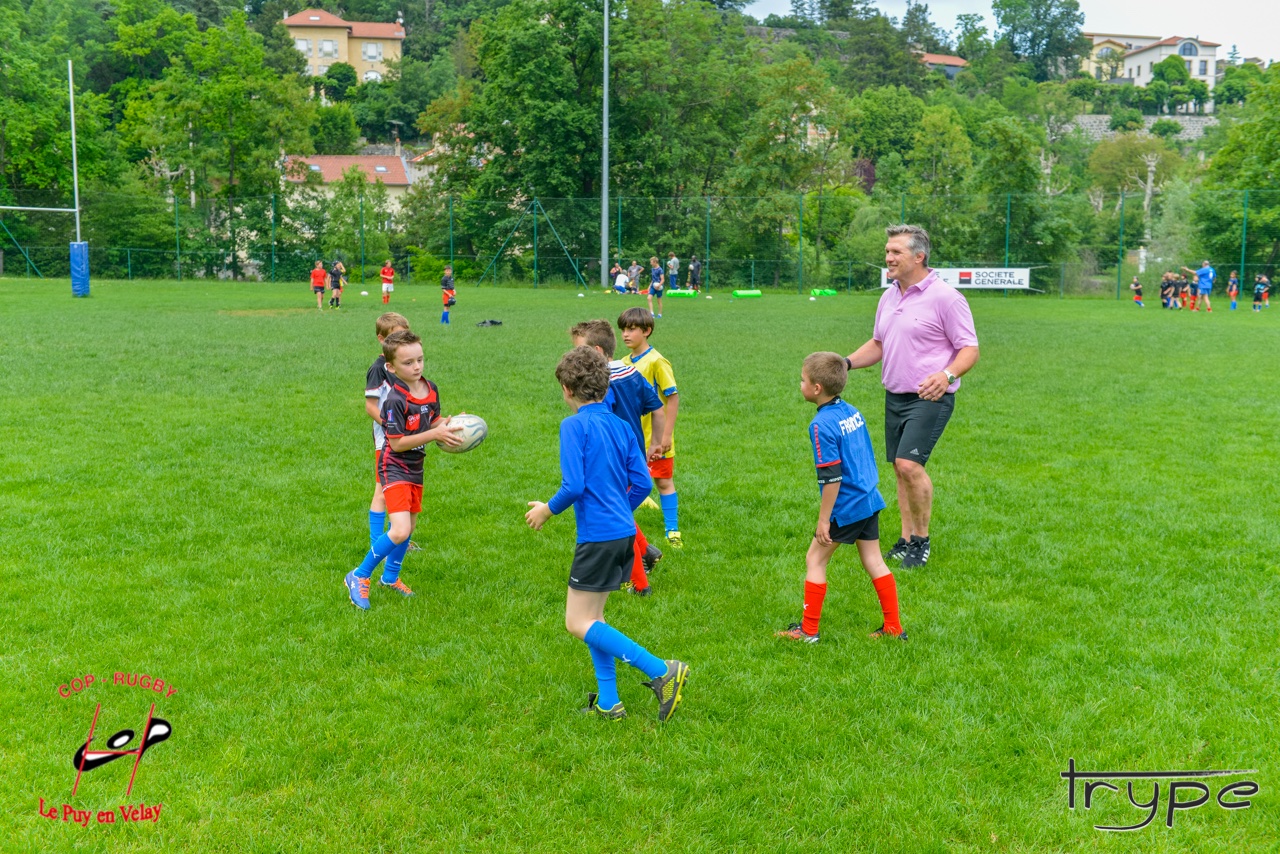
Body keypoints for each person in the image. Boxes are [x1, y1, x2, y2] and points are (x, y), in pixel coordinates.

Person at [524, 346, 689, 721]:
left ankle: (662, 670)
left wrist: (546, 510)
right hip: (623, 534)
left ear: (566, 389)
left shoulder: (573, 426)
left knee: (576, 623)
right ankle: (609, 702)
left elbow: (574, 485)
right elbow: (641, 483)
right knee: (593, 621)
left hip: (598, 536)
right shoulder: (622, 426)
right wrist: (619, 511)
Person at [844, 225, 979, 570]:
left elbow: (969, 349)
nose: (888, 258)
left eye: (896, 252)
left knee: (909, 465)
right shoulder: (889, 296)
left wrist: (947, 375)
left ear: (919, 257)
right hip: (894, 395)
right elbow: (879, 343)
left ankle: (921, 541)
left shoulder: (947, 298)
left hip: (930, 397)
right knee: (900, 470)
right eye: (887, 251)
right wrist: (845, 364)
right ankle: (905, 541)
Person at [776, 352, 905, 642]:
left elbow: (832, 478)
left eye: (802, 380)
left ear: (817, 388)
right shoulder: (852, 411)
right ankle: (894, 628)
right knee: (874, 560)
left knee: (814, 559)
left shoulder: (821, 425)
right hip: (869, 498)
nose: (800, 385)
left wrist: (824, 520)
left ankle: (808, 632)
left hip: (847, 506)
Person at [345, 330, 463, 610]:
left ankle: (390, 578)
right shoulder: (395, 400)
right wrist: (434, 435)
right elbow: (397, 443)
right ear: (391, 367)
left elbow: (431, 420)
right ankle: (359, 575)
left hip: (415, 467)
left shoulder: (431, 389)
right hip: (394, 466)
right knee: (399, 530)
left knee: (409, 527)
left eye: (420, 359)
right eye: (408, 363)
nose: (417, 366)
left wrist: (448, 425)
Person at [570, 320, 666, 596]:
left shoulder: (601, 385)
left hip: (611, 460)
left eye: (579, 351)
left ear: (597, 352)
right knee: (619, 509)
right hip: (634, 455)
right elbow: (657, 409)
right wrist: (656, 443)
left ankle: (640, 585)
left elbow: (600, 422)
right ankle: (647, 551)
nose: (575, 357)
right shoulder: (632, 373)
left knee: (615, 517)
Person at [619, 307, 682, 547]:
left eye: (631, 329)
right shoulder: (623, 363)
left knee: (663, 481)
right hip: (632, 437)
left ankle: (672, 530)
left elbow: (672, 398)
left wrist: (666, 435)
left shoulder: (657, 361)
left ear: (647, 331)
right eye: (623, 329)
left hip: (655, 437)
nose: (625, 334)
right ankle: (625, 527)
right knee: (625, 481)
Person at [364, 312, 412, 551]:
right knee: (382, 491)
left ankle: (397, 537)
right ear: (381, 340)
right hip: (386, 440)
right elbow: (370, 406)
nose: (401, 343)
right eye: (395, 338)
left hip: (406, 438)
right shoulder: (378, 369)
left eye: (405, 337)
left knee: (402, 491)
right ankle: (377, 544)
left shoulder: (404, 366)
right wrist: (390, 425)